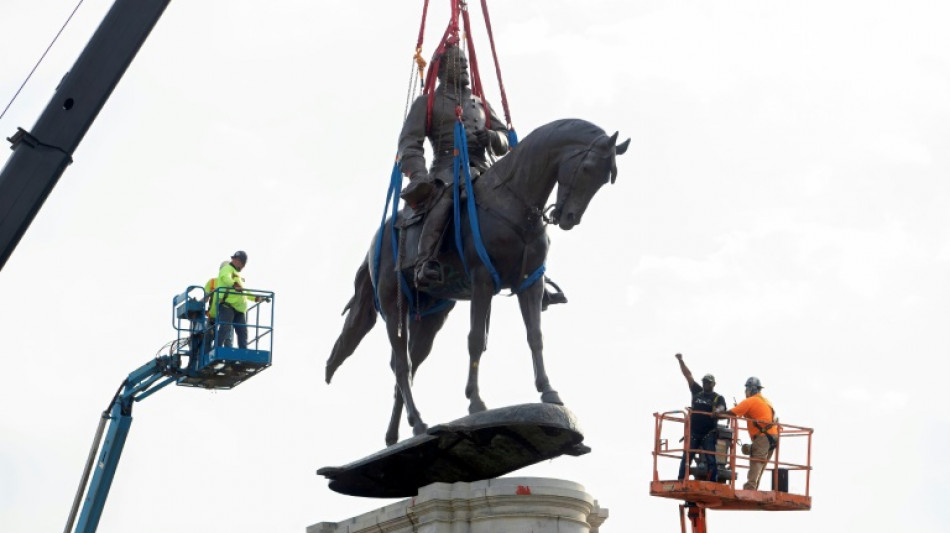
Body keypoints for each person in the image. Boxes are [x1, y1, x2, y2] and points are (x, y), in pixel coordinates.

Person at [396, 43, 567, 308]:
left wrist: (490, 137)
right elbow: (409, 143)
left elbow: (507, 141)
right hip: (447, 171)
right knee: (445, 202)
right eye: (457, 62)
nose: (464, 66)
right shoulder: (427, 103)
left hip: (485, 171)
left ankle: (535, 275)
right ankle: (424, 262)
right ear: (440, 70)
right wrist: (419, 174)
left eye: (465, 62)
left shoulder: (480, 103)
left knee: (524, 208)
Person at [674, 353, 727, 482]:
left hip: (708, 433)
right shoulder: (697, 392)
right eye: (704, 382)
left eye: (708, 382)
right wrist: (681, 361)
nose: (705, 384)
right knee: (687, 456)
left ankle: (712, 481)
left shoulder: (717, 397)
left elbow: (722, 407)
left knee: (711, 458)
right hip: (694, 432)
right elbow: (688, 375)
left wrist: (718, 411)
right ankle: (681, 479)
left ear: (713, 384)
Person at [719, 376, 778, 490]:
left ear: (751, 389)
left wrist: (717, 415)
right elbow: (757, 414)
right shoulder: (765, 401)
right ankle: (753, 487)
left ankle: (750, 487)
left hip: (763, 436)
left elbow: (731, 413)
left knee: (756, 461)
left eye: (747, 389)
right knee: (761, 464)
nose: (746, 392)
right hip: (773, 435)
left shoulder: (751, 401)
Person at [215, 251, 259, 350]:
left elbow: (243, 291)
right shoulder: (227, 269)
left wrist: (254, 297)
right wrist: (234, 284)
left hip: (239, 309)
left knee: (242, 332)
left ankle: (243, 352)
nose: (243, 267)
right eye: (243, 264)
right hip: (228, 306)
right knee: (225, 328)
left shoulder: (238, 275)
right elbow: (225, 278)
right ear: (238, 261)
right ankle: (216, 349)